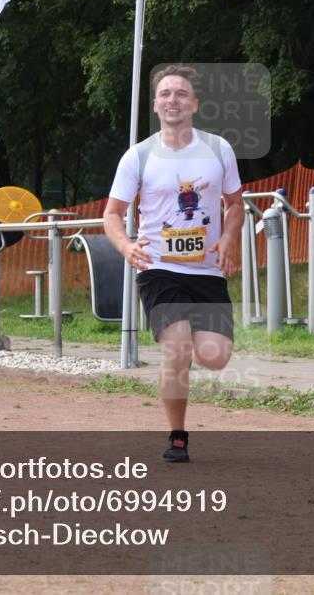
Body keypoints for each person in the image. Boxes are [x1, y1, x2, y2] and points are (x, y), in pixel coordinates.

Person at [104, 65, 245, 462]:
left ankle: (194, 363)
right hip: (159, 267)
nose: (173, 99)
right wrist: (126, 246)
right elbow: (111, 214)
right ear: (155, 104)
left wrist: (229, 236)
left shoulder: (218, 150)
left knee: (215, 356)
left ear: (194, 104)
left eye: (181, 93)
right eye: (165, 93)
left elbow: (236, 205)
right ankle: (177, 435)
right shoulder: (139, 155)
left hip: (207, 270)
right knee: (177, 347)